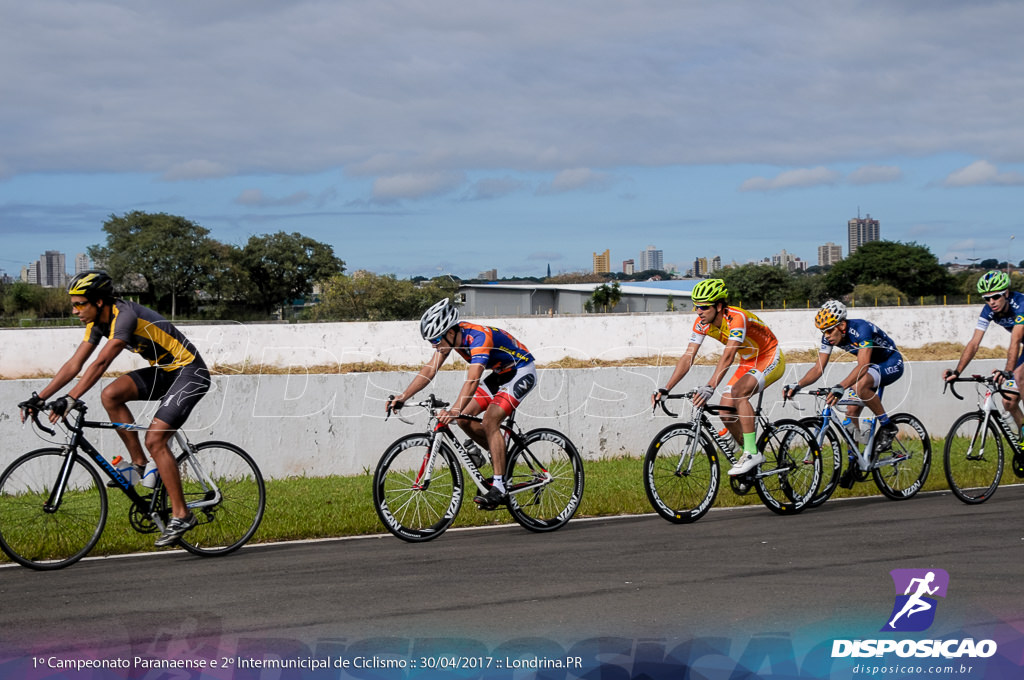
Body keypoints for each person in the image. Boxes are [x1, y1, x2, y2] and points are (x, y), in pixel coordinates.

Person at [17, 271, 211, 547]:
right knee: (111, 395)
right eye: (73, 304)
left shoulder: (125, 316)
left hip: (190, 373)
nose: (74, 310)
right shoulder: (97, 323)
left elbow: (101, 363)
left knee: (155, 439)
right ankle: (139, 463)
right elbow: (75, 364)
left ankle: (182, 514)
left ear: (98, 301)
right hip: (165, 373)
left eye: (79, 304)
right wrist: (40, 397)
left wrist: (70, 398)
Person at [386, 298, 537, 509]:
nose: (434, 346)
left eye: (436, 340)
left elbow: (473, 379)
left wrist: (454, 409)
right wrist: (403, 396)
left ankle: (500, 487)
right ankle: (499, 459)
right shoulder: (451, 339)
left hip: (520, 371)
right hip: (500, 373)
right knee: (463, 419)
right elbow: (430, 369)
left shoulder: (478, 337)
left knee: (490, 420)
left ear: (450, 332)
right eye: (431, 342)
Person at [652, 278, 785, 476]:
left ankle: (752, 453)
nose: (698, 311)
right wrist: (666, 388)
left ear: (719, 306)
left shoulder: (737, 318)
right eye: (696, 306)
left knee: (739, 393)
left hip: (768, 356)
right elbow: (688, 356)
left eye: (704, 307)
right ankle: (750, 459)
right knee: (725, 412)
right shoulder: (702, 323)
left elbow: (728, 355)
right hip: (748, 360)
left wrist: (710, 386)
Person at [782, 300, 902, 481]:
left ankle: (888, 426)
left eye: (830, 331)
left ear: (842, 325)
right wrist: (797, 385)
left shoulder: (861, 329)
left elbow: (863, 365)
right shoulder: (829, 336)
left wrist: (840, 387)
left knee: (860, 387)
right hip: (870, 367)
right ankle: (854, 462)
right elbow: (818, 368)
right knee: (851, 412)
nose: (827, 335)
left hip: (891, 362)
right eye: (823, 332)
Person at [943, 270, 1024, 438]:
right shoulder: (988, 311)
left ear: (1006, 293)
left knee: (1018, 375)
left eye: (995, 297)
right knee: (1008, 401)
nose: (991, 302)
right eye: (987, 298)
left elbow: (1015, 341)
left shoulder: (1020, 304)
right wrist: (957, 372)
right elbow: (974, 343)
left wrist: (1008, 371)